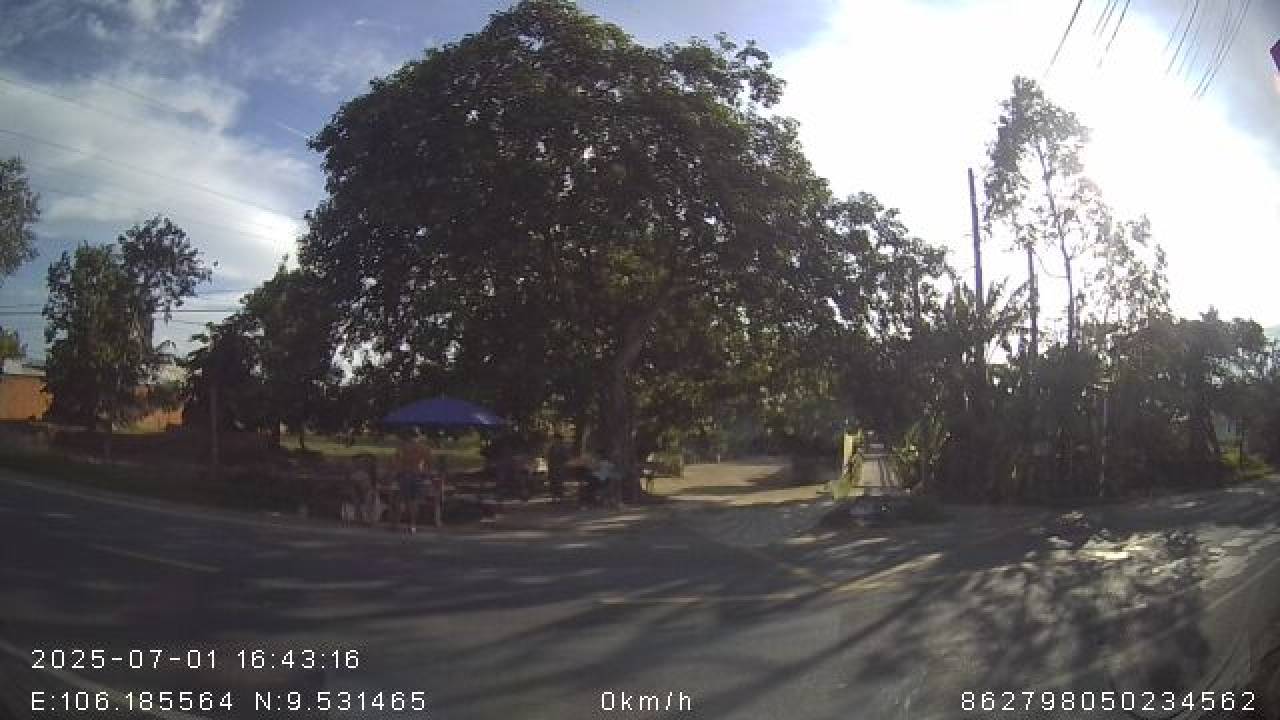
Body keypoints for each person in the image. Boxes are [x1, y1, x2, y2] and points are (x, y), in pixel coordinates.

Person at [393, 429, 432, 533]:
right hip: (418, 475)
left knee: (401, 500)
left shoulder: (402, 447)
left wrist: (397, 473)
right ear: (418, 436)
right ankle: (412, 525)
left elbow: (396, 461)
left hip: (405, 474)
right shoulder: (424, 448)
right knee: (414, 502)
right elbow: (429, 463)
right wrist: (425, 474)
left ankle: (397, 524)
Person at [547, 434, 569, 501]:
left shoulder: (563, 448)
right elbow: (549, 458)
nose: (556, 440)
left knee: (559, 483)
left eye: (557, 439)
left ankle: (560, 498)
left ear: (560, 440)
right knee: (552, 483)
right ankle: (553, 498)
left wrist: (563, 465)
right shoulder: (551, 448)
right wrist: (549, 467)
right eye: (555, 439)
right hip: (552, 468)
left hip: (560, 468)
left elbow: (566, 458)